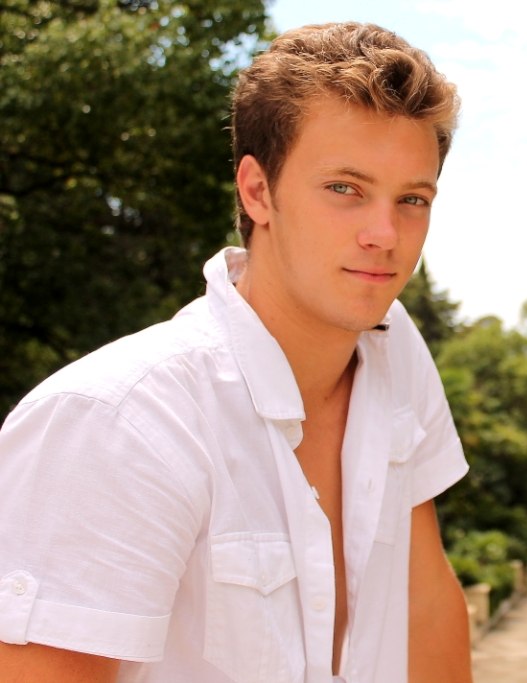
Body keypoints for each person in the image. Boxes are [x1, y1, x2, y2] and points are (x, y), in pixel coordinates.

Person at [0, 21, 471, 683]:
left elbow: (424, 609)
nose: (385, 233)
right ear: (257, 191)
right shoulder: (117, 424)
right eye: (345, 188)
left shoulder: (396, 352)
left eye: (412, 199)